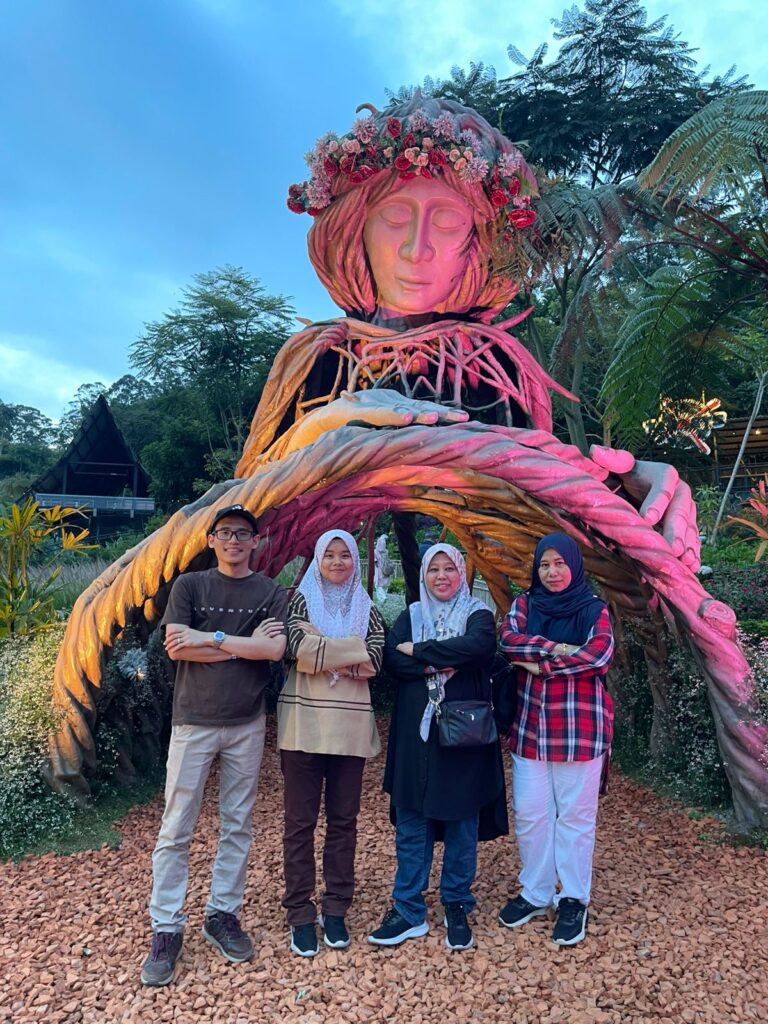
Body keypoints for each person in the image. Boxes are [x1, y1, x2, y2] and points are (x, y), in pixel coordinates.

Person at [140, 504, 288, 987]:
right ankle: (166, 927)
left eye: (243, 534)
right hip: (194, 721)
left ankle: (222, 913)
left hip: (247, 723)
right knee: (176, 825)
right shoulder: (191, 586)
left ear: (255, 541)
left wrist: (213, 639)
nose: (233, 541)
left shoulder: (269, 591)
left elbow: (273, 650)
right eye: (225, 533)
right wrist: (242, 644)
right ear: (211, 540)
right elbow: (177, 647)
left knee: (237, 823)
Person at [369, 543, 505, 952]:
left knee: (462, 821)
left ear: (461, 573)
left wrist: (420, 652)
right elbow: (392, 661)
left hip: (464, 737)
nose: (442, 576)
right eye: (434, 569)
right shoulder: (412, 615)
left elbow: (477, 648)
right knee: (413, 819)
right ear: (424, 575)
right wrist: (445, 660)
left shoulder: (477, 614)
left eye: (449, 568)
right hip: (417, 736)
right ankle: (408, 908)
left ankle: (456, 903)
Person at [498, 532, 614, 947]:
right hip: (531, 728)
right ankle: (536, 891)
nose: (552, 572)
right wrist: (560, 648)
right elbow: (508, 641)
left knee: (575, 819)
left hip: (580, 729)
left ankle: (573, 898)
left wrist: (542, 666)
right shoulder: (525, 605)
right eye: (544, 565)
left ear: (574, 566)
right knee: (531, 814)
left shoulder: (594, 609)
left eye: (559, 563)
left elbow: (598, 655)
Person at [277, 529, 384, 956]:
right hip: (303, 724)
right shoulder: (300, 601)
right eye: (330, 555)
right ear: (318, 560)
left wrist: (322, 647)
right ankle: (300, 912)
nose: (338, 562)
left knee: (344, 821)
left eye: (345, 555)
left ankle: (336, 907)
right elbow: (296, 649)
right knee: (299, 822)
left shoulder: (367, 607)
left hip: (350, 728)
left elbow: (376, 659)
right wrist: (352, 649)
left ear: (355, 561)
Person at [373, 532, 394, 600]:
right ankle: (384, 596)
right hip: (385, 569)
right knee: (385, 584)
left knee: (378, 585)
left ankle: (383, 598)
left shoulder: (375, 551)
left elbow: (375, 561)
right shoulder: (386, 551)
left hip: (379, 570)